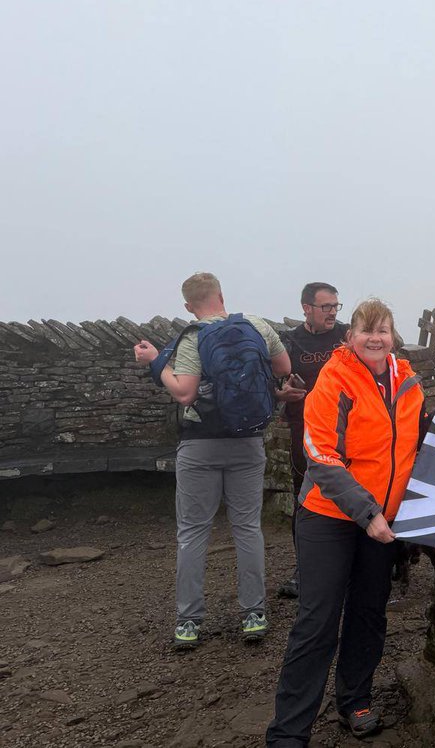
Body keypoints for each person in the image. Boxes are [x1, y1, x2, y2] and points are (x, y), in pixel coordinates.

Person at [267, 298, 424, 745]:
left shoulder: (408, 383)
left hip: (383, 523)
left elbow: (415, 445)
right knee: (317, 622)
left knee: (369, 614)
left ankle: (355, 700)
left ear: (394, 336)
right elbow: (320, 456)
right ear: (350, 337)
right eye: (366, 330)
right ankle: (288, 732)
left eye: (384, 330)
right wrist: (367, 512)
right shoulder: (333, 380)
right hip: (329, 518)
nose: (375, 338)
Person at [132, 272, 290, 649]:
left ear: (188, 306)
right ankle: (254, 614)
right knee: (248, 528)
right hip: (249, 441)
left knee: (192, 532)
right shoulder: (256, 325)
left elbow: (184, 393)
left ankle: (189, 621)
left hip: (200, 446)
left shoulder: (193, 336)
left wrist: (155, 361)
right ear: (221, 295)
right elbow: (283, 369)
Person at [275, 282, 349, 599]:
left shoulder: (347, 335)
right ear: (306, 308)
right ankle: (304, 570)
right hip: (303, 432)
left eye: (335, 306)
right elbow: (271, 382)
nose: (332, 311)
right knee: (305, 500)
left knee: (350, 498)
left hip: (347, 433)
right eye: (326, 306)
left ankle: (349, 569)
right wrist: (281, 393)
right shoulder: (289, 342)